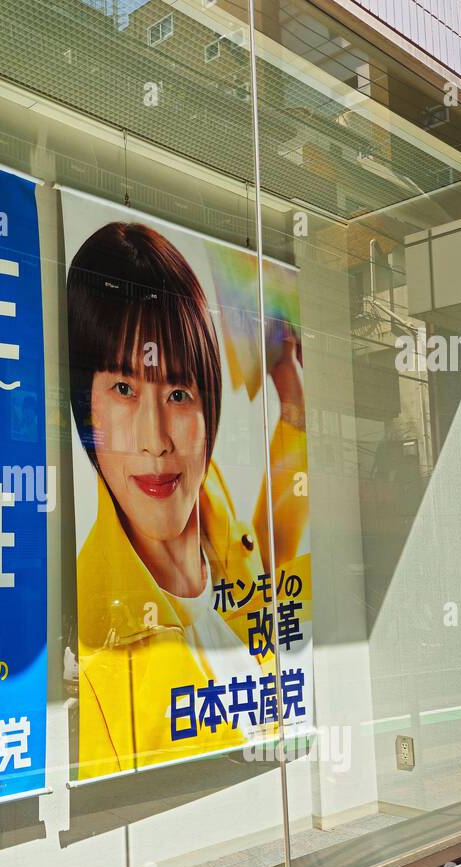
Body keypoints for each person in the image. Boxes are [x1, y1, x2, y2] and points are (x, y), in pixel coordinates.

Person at [67, 221, 309, 779]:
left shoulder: (204, 495)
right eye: (123, 389)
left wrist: (293, 409)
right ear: (87, 410)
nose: (155, 440)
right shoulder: (101, 642)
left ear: (207, 407)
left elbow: (262, 560)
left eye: (178, 393)